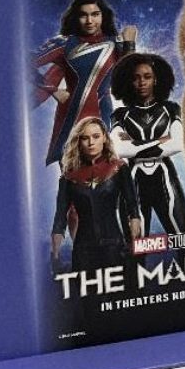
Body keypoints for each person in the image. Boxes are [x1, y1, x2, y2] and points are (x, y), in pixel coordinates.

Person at [34, 0, 137, 167]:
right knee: (74, 186)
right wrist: (53, 90)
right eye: (83, 15)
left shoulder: (115, 44)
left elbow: (129, 77)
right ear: (76, 17)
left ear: (103, 15)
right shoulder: (65, 43)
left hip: (104, 121)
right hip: (72, 122)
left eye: (95, 14)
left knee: (107, 185)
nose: (90, 21)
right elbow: (23, 62)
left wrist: (129, 44)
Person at [109, 53, 185, 238]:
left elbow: (177, 144)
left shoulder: (171, 109)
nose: (142, 82)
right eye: (136, 78)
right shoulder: (120, 115)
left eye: (147, 77)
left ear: (156, 79)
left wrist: (135, 146)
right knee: (135, 250)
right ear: (128, 81)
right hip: (132, 185)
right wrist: (161, 141)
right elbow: (119, 149)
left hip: (166, 180)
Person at [50, 117, 142, 281]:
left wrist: (134, 239)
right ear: (79, 142)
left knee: (119, 300)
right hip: (83, 251)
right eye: (85, 138)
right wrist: (55, 253)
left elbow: (132, 206)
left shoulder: (119, 168)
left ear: (105, 138)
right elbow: (60, 217)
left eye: (96, 136)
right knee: (89, 304)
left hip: (114, 246)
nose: (91, 142)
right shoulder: (68, 177)